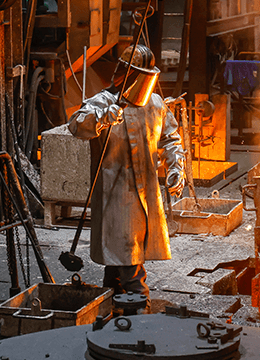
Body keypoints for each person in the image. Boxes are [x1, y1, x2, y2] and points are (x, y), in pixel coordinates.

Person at [68, 44, 185, 312]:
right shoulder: (103, 102)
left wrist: (175, 166)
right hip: (116, 193)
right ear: (124, 73)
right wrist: (101, 117)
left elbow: (170, 138)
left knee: (120, 256)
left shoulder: (154, 104)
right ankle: (139, 310)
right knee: (127, 255)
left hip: (146, 192)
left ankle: (111, 301)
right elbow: (77, 125)